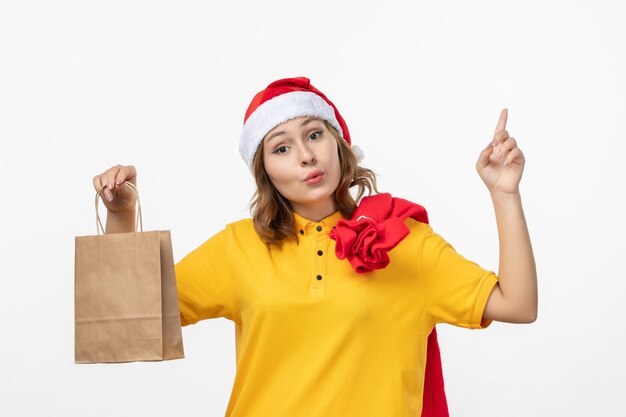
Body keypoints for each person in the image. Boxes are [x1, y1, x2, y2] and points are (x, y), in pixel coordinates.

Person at [92, 76, 537, 417]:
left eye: (314, 135)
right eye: (281, 148)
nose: (305, 155)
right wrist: (121, 216)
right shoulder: (238, 248)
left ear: (339, 145)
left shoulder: (403, 240)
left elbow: (517, 304)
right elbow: (127, 323)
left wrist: (504, 195)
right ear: (265, 172)